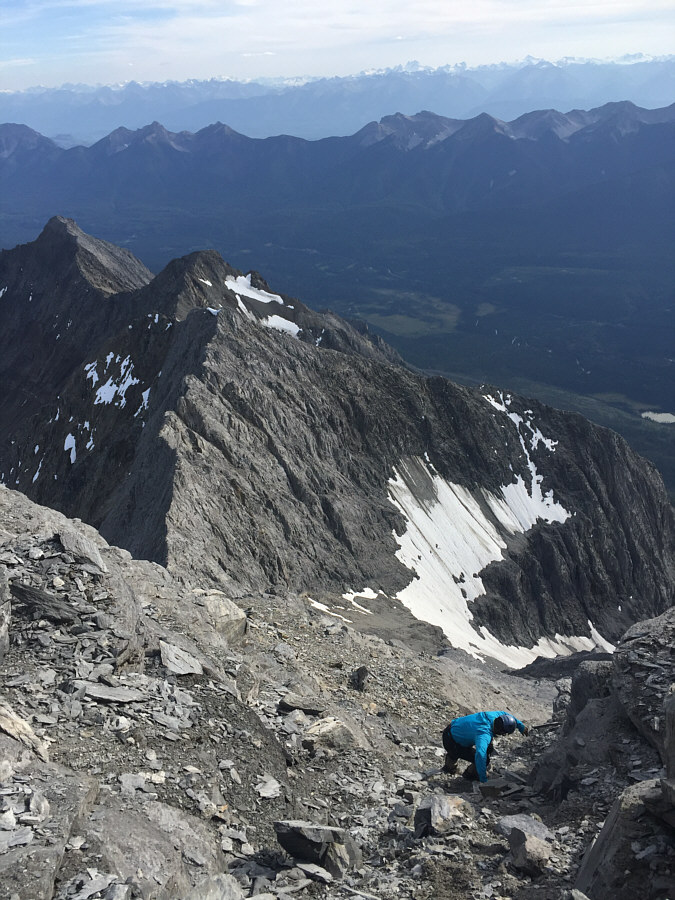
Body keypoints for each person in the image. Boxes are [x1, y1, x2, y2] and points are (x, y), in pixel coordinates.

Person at [442, 711, 530, 782]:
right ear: (500, 731)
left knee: (488, 748)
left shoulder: (494, 715)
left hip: (453, 728)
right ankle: (467, 773)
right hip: (451, 741)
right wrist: (483, 778)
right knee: (484, 759)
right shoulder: (484, 734)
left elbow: (507, 715)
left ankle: (455, 762)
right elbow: (480, 754)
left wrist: (521, 726)